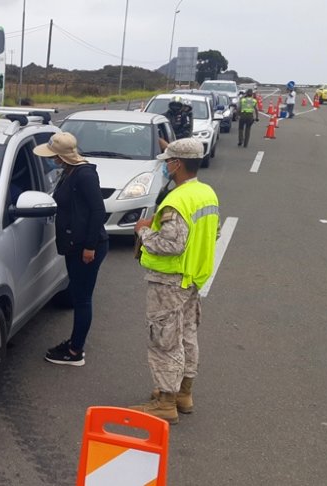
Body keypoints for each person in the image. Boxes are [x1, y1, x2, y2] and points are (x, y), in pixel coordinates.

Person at [129, 138, 219, 425]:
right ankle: (183, 394)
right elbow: (212, 234)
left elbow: (171, 244)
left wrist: (143, 232)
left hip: (170, 280)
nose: (166, 166)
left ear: (177, 164)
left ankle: (165, 402)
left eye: (168, 161)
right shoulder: (206, 193)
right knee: (187, 336)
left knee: (164, 340)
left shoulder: (177, 199)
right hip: (192, 278)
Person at [33, 132, 109, 366]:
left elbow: (98, 211)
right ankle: (75, 343)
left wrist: (89, 247)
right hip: (75, 245)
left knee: (82, 299)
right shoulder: (70, 172)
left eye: (54, 156)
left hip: (87, 248)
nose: (52, 160)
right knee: (78, 295)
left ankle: (75, 351)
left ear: (61, 156)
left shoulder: (84, 175)